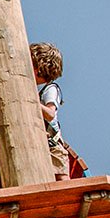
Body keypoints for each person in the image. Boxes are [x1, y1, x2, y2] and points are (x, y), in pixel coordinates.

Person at [31, 42, 69, 181]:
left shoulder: (49, 88)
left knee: (61, 181)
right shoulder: (34, 88)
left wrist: (30, 101)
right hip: (41, 144)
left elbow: (50, 113)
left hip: (53, 145)